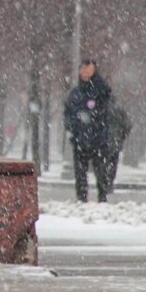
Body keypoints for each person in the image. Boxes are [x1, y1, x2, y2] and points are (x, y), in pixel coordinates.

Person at [63, 58, 114, 203]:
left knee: (100, 170)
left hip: (98, 138)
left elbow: (104, 106)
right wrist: (71, 125)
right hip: (80, 138)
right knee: (80, 172)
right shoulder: (76, 93)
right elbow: (68, 112)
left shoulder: (101, 91)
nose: (84, 72)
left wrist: (92, 117)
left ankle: (102, 196)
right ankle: (82, 198)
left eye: (88, 69)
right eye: (83, 69)